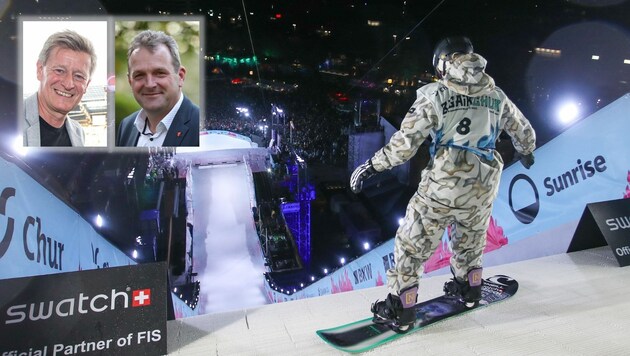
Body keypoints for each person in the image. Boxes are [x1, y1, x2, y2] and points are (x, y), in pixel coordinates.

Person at [350, 36, 536, 332]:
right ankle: (470, 287)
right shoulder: (496, 95)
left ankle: (402, 306)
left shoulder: (435, 94)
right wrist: (526, 150)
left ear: (443, 62)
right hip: (484, 183)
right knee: (472, 236)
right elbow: (522, 129)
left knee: (413, 241)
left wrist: (372, 166)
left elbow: (405, 144)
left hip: (444, 185)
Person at [116, 30, 199, 147]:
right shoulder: (126, 127)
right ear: (130, 81)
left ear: (180, 76)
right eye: (139, 75)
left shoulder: (200, 125)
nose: (150, 84)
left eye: (160, 73)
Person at [23, 30, 96, 147]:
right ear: (40, 70)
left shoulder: (78, 133)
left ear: (86, 85)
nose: (68, 84)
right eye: (59, 71)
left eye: (79, 76)